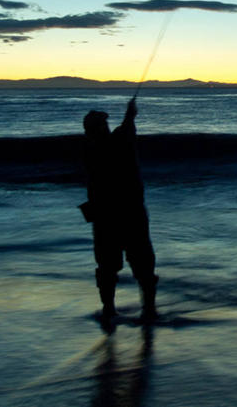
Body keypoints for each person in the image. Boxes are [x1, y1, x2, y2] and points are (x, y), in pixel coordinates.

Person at [81, 97, 157, 322]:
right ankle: (148, 310)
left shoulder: (90, 151)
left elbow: (124, 131)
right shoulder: (115, 143)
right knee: (141, 263)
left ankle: (109, 310)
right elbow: (125, 132)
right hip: (130, 214)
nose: (105, 127)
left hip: (104, 216)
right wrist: (130, 113)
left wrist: (129, 115)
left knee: (107, 266)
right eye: (102, 124)